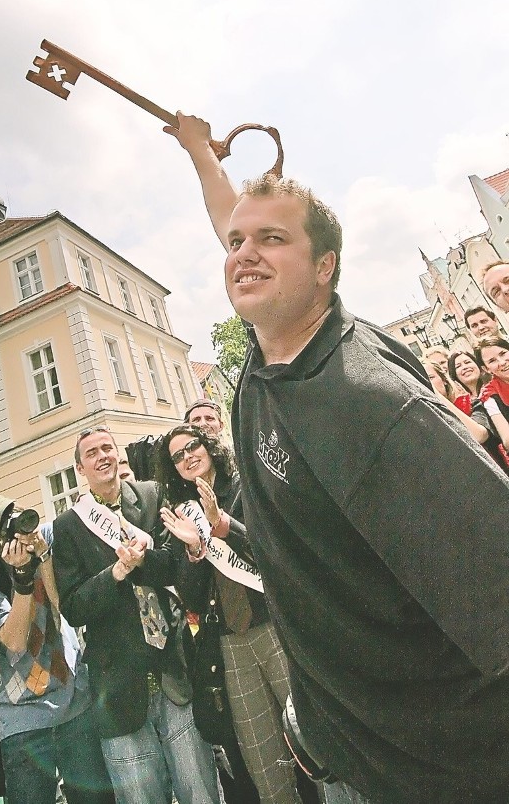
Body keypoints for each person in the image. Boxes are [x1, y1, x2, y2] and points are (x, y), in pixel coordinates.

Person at [164, 111, 509, 804]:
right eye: (236, 242)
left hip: (448, 764)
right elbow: (241, 225)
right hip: (362, 749)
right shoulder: (270, 356)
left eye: (271, 240)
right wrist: (200, 153)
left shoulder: (369, 402)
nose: (243, 254)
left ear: (325, 267)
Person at [52, 425, 222, 804]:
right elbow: (74, 607)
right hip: (117, 684)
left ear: (118, 454)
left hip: (173, 669)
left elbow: (175, 568)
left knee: (201, 791)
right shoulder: (68, 525)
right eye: (92, 453)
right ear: (81, 468)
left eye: (107, 448)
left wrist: (143, 559)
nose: (102, 457)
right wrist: (115, 573)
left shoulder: (151, 495)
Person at [158, 424, 299, 804]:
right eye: (177, 456)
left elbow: (272, 550)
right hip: (230, 645)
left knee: (314, 744)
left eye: (192, 446)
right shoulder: (182, 513)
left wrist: (223, 526)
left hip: (274, 627)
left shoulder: (245, 484)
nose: (187, 456)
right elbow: (189, 594)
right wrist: (193, 550)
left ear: (208, 447)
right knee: (264, 762)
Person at [0, 495, 114, 804]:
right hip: (23, 717)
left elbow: (63, 607)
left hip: (74, 701)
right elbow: (16, 641)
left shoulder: (46, 537)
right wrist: (21, 577)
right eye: (7, 528)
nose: (18, 529)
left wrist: (42, 556)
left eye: (17, 514)